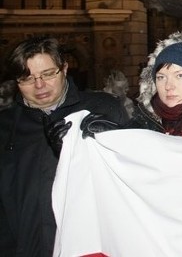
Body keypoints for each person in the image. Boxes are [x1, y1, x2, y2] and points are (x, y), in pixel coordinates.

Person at [0, 35, 129, 256]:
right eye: (27, 78)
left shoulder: (103, 109)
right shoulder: (5, 126)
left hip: (88, 247)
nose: (39, 85)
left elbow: (130, 179)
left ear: (65, 68)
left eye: (48, 74)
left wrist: (103, 147)